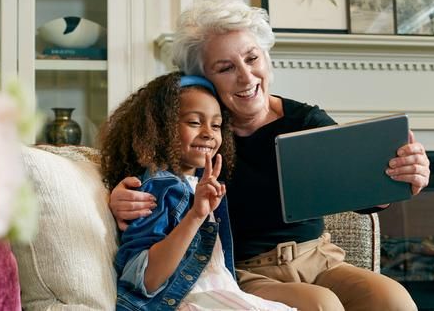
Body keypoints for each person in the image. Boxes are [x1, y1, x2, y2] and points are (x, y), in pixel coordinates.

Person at [109, 0, 430, 310]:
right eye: (226, 68)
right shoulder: (203, 137)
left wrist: (400, 175)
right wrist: (119, 194)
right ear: (202, 80)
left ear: (266, 56)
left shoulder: (305, 122)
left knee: (392, 299)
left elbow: (363, 194)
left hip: (320, 260)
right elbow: (158, 172)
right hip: (247, 272)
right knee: (320, 305)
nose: (246, 77)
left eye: (252, 59)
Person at [99, 71, 295, 310]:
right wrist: (196, 215)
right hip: (185, 302)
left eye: (216, 125)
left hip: (223, 293)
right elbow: (143, 279)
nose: (208, 133)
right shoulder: (158, 189)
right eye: (194, 122)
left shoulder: (209, 182)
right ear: (161, 128)